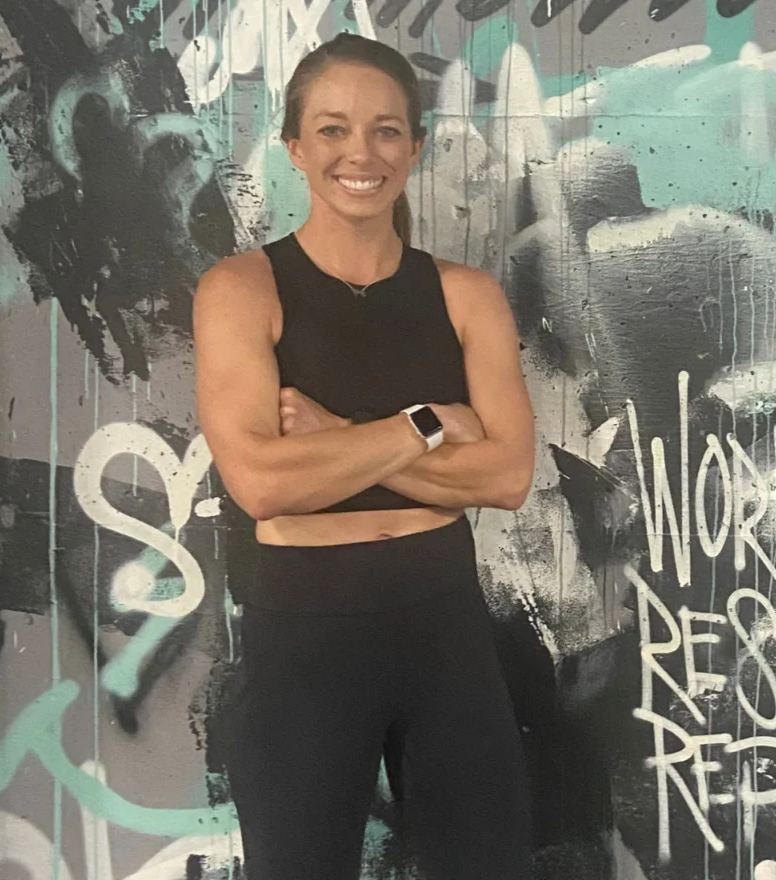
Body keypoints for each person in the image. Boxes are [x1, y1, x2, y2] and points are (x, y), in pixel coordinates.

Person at [192, 33, 536, 879]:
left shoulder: (467, 296)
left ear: (413, 147)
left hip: (444, 625)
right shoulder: (242, 290)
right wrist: (421, 425)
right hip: (306, 636)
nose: (362, 152)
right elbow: (263, 484)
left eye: (386, 130)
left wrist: (331, 436)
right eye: (335, 128)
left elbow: (507, 477)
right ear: (296, 147)